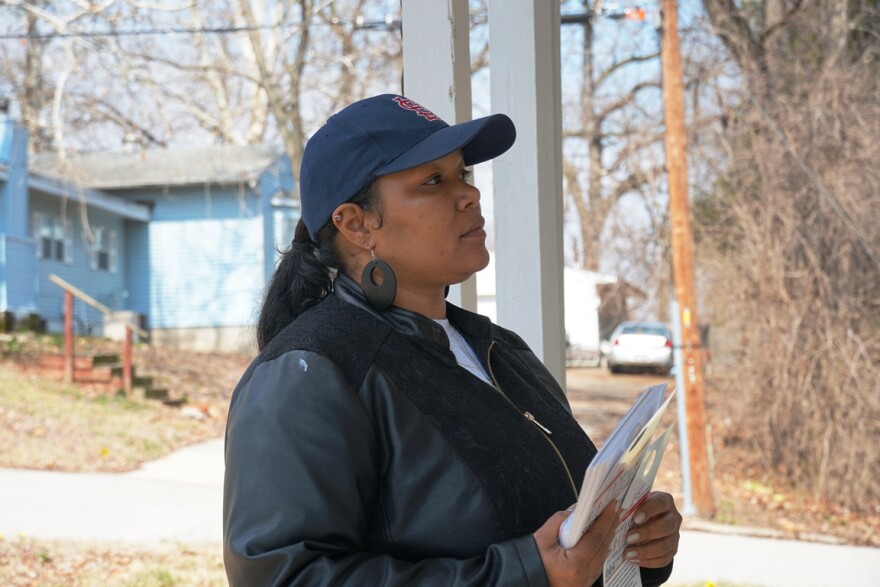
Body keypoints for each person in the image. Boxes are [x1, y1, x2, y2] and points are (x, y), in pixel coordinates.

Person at [223, 94, 681, 586]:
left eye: (461, 174)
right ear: (356, 224)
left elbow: (565, 537)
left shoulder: (502, 351)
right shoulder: (311, 371)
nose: (469, 195)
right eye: (433, 181)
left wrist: (634, 545)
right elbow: (284, 577)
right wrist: (525, 573)